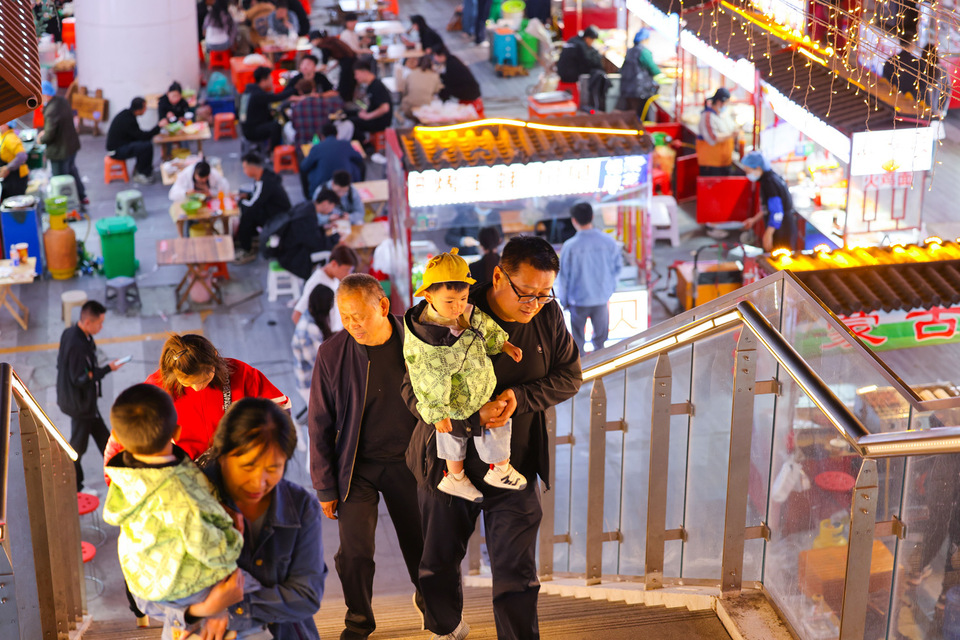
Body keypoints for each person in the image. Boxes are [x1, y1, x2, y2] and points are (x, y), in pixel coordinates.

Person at [403, 236, 581, 640]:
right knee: (439, 563)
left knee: (518, 573)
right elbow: (410, 391)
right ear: (498, 275)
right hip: (450, 464)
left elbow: (569, 377)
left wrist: (519, 398)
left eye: (544, 293)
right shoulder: (447, 309)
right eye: (526, 293)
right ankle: (444, 626)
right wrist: (468, 417)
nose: (534, 303)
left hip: (512, 466)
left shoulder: (548, 316)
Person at [136, 397, 326, 639]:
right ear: (222, 453)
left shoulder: (301, 506)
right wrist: (201, 609)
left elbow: (307, 595)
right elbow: (143, 591)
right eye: (248, 466)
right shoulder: (183, 499)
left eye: (273, 468)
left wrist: (232, 610)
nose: (259, 482)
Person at [308, 274, 425, 640]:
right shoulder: (332, 353)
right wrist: (325, 485)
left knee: (420, 543)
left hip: (408, 460)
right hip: (356, 465)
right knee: (355, 552)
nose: (352, 324)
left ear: (384, 306)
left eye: (359, 315)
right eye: (345, 317)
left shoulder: (417, 340)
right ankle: (359, 622)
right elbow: (319, 422)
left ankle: (434, 604)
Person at [103, 384, 267, 639]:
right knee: (257, 592)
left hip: (144, 580)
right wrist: (234, 538)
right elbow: (207, 545)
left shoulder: (124, 475)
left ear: (118, 436)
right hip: (184, 585)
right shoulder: (179, 492)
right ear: (176, 432)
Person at [403, 249, 526, 503]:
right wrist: (436, 413)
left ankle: (499, 469)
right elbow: (426, 380)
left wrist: (505, 344)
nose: (458, 306)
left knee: (497, 421)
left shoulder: (465, 312)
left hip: (480, 389)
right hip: (451, 401)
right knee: (450, 435)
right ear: (428, 296)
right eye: (450, 301)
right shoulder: (426, 340)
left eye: (463, 297)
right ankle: (455, 477)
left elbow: (486, 326)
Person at [144, 333, 290, 459]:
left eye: (204, 380)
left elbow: (280, 407)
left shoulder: (241, 373)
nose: (197, 388)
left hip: (236, 461)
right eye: (188, 383)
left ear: (214, 358)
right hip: (187, 471)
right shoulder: (156, 387)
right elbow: (134, 429)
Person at [56, 300, 127, 491]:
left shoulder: (71, 333)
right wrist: (107, 369)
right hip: (80, 405)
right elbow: (79, 378)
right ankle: (76, 487)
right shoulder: (77, 345)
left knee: (105, 439)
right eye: (99, 323)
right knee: (76, 450)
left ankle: (121, 474)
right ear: (88, 322)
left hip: (85, 403)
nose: (101, 327)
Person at [558, 202, 623, 354]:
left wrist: (564, 300)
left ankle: (581, 373)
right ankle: (600, 371)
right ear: (592, 217)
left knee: (577, 343)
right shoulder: (608, 241)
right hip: (601, 300)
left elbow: (563, 277)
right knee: (600, 342)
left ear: (574, 220)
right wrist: (609, 289)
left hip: (577, 302)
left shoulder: (569, 246)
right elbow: (618, 268)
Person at [38, 80, 88, 209]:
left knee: (60, 180)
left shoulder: (51, 110)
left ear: (45, 95)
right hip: (71, 145)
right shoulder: (62, 101)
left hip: (60, 151)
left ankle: (64, 206)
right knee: (72, 171)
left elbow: (50, 135)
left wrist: (41, 139)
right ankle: (82, 197)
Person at [740, 151, 802, 253]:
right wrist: (754, 220)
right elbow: (768, 207)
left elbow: (777, 211)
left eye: (748, 171)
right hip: (783, 225)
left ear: (758, 168)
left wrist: (768, 234)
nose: (747, 174)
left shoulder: (769, 184)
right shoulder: (770, 177)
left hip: (782, 230)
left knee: (780, 261)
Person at [237, 150, 291, 261]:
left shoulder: (265, 182)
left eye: (244, 168)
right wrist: (246, 196)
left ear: (252, 168)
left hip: (278, 218)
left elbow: (253, 205)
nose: (244, 171)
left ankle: (247, 250)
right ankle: (251, 239)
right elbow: (257, 197)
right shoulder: (265, 176)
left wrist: (238, 201)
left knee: (247, 215)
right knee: (248, 211)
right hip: (274, 212)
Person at [292, 243, 358, 325]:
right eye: (346, 270)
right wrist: (313, 335)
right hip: (327, 335)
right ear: (334, 263)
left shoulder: (334, 277)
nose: (348, 274)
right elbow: (297, 315)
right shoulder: (317, 283)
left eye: (350, 271)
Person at [292, 284, 336, 403]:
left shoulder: (311, 315)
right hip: (309, 385)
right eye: (331, 304)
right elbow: (320, 365)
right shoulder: (308, 330)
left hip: (314, 379)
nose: (332, 307)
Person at [106, 96, 165, 184]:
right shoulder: (128, 119)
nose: (146, 109)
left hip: (121, 145)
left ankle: (141, 170)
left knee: (144, 144)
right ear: (139, 109)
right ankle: (141, 174)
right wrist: (158, 127)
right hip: (116, 151)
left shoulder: (128, 114)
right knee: (146, 146)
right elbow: (142, 136)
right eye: (145, 107)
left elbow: (138, 135)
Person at [300, 123, 365, 200]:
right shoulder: (345, 144)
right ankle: (359, 187)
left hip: (321, 189)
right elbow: (359, 158)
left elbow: (304, 166)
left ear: (322, 136)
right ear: (337, 135)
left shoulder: (316, 148)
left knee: (307, 166)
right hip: (345, 185)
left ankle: (308, 196)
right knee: (359, 165)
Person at [241, 66, 296, 151]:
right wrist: (293, 89)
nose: (271, 80)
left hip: (247, 128)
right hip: (251, 131)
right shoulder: (257, 94)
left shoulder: (249, 91)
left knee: (273, 117)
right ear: (263, 80)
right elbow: (278, 97)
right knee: (276, 126)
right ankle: (272, 153)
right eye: (270, 77)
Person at [349, 61, 394, 149]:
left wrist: (368, 116)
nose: (355, 77)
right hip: (375, 118)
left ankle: (364, 145)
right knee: (351, 113)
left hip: (380, 121)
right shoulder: (371, 85)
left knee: (351, 122)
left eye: (356, 74)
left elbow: (385, 108)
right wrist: (365, 111)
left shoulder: (377, 86)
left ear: (364, 72)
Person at [617, 28, 660, 117]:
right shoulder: (643, 51)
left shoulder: (631, 50)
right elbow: (654, 69)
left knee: (630, 113)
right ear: (645, 39)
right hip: (638, 89)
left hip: (627, 88)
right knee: (637, 115)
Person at [289, 78, 344, 145]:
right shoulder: (324, 103)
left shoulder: (296, 107)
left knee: (287, 128)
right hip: (322, 142)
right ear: (314, 89)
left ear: (300, 92)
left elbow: (294, 126)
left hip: (303, 145)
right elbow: (340, 103)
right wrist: (321, 95)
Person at [697, 87, 737, 176]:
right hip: (711, 164)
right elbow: (713, 138)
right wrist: (731, 135)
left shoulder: (723, 115)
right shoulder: (707, 116)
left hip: (724, 162)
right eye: (726, 102)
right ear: (719, 102)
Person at [311, 28, 359, 102]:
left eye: (312, 41)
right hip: (352, 60)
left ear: (317, 39)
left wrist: (311, 70)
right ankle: (349, 100)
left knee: (345, 84)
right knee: (349, 83)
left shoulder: (324, 46)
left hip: (348, 63)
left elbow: (324, 65)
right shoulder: (330, 40)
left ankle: (344, 102)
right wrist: (330, 69)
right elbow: (341, 57)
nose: (312, 43)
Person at [399, 54, 443, 119]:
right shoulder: (435, 76)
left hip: (409, 109)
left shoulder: (411, 74)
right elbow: (436, 90)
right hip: (426, 108)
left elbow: (405, 91)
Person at [0, 121, 30, 202]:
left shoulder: (10, 137)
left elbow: (22, 156)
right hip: (10, 177)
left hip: (16, 177)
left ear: (6, 125)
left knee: (15, 203)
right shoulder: (3, 136)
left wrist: (8, 168)